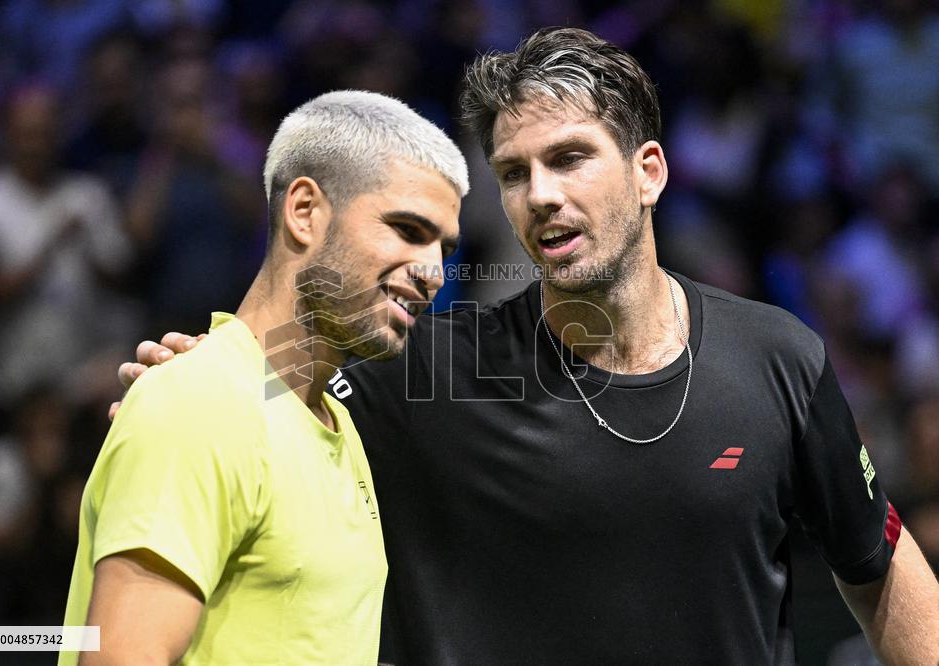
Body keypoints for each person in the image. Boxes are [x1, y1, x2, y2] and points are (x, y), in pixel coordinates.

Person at [118, 29, 939, 664]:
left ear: (648, 171)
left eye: (570, 158)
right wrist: (190, 377)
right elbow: (252, 382)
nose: (541, 194)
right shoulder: (418, 372)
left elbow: (879, 559)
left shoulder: (778, 357)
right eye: (513, 173)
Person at [63, 90, 467, 665]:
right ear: (304, 212)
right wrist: (187, 398)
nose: (432, 271)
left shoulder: (337, 426)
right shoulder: (198, 402)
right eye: (406, 229)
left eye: (444, 248)